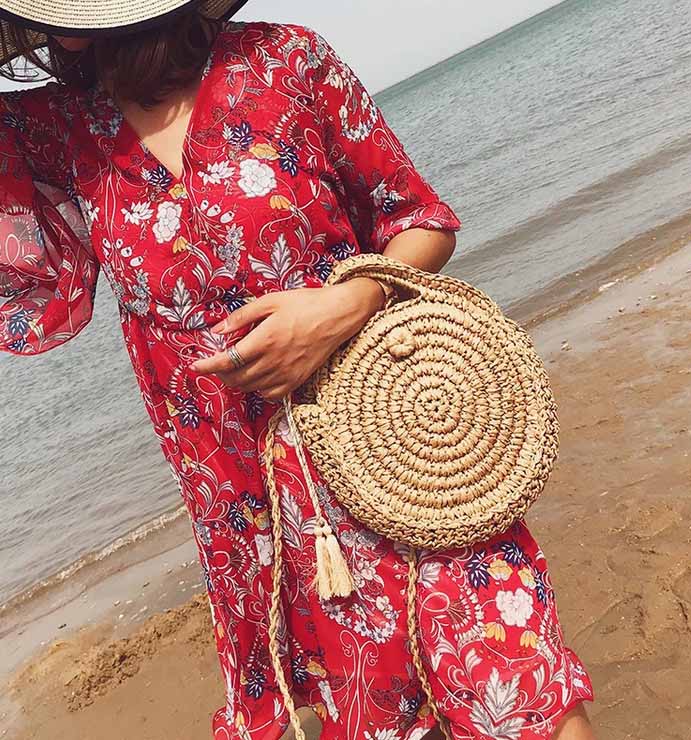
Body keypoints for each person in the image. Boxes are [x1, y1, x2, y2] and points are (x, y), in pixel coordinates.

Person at [0, 2, 596, 738]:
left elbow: (421, 221)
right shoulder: (58, 130)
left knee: (518, 678)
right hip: (248, 502)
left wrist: (345, 304)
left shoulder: (285, 61)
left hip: (394, 433)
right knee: (377, 709)